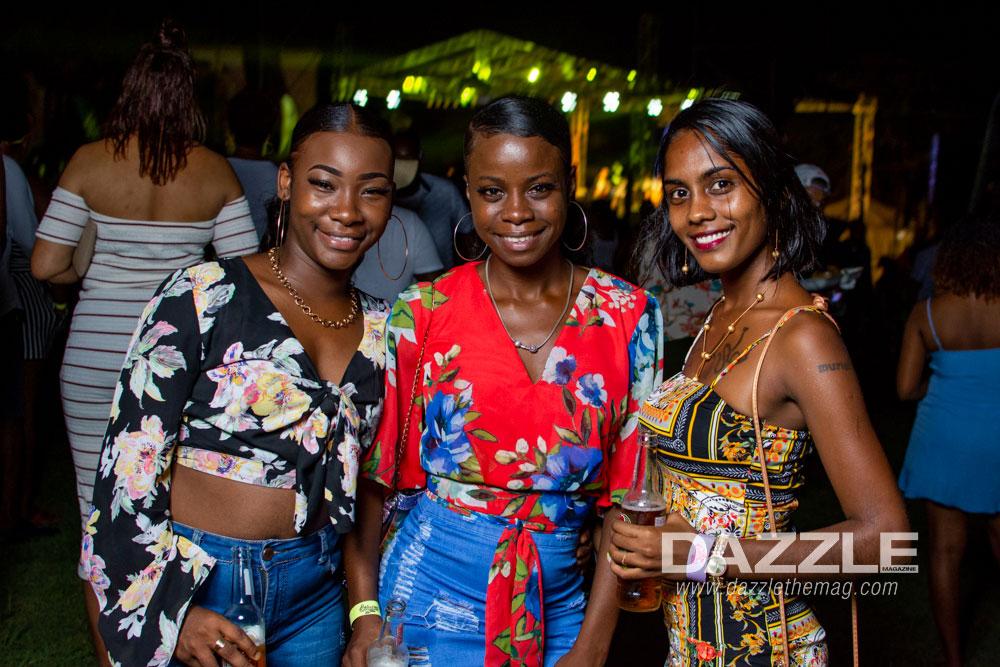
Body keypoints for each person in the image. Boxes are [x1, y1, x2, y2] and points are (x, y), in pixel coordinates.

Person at [348, 95, 663, 667]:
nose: (517, 212)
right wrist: (365, 616)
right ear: (468, 193)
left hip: (561, 608)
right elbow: (375, 482)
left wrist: (593, 647)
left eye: (539, 188)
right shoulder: (424, 312)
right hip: (423, 603)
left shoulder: (628, 316)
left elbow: (631, 498)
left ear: (569, 184)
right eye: (493, 192)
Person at [81, 101, 395, 667]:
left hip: (317, 594)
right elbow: (126, 472)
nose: (347, 210)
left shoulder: (383, 329)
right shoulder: (203, 294)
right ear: (286, 182)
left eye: (371, 190)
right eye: (324, 184)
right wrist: (169, 608)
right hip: (201, 584)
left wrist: (362, 610)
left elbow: (368, 487)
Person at [609, 99, 909, 665]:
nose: (697, 212)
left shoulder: (802, 338)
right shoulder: (719, 316)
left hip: (766, 649)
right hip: (692, 646)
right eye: (679, 193)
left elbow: (886, 541)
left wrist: (702, 555)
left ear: (770, 188)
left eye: (720, 184)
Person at [29, 20, 258, 660]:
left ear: (128, 90)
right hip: (179, 359)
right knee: (171, 505)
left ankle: (114, 658)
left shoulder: (89, 162)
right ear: (191, 98)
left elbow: (46, 265)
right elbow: (245, 280)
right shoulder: (214, 172)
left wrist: (92, 265)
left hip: (95, 355)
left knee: (96, 511)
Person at [896, 216, 1000, 667]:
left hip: (943, 439)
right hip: (996, 437)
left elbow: (905, 388)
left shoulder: (927, 313)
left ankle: (953, 660)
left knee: (945, 553)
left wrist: (939, 387)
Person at [392, 129, 471, 269]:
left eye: (408, 160)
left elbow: (467, 235)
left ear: (420, 157)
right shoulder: (382, 196)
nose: (402, 169)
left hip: (442, 277)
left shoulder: (444, 191)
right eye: (397, 161)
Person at [227, 87, 280, 241]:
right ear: (269, 131)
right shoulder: (277, 177)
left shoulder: (219, 170)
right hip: (261, 253)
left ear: (230, 128)